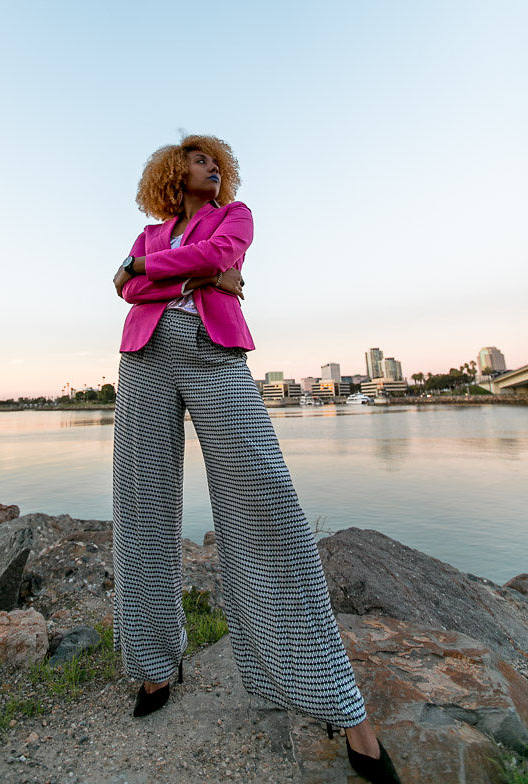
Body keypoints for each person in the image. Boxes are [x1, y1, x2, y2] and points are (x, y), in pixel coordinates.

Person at [112, 134, 401, 784]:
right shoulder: (149, 232)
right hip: (144, 361)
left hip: (214, 355)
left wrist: (158, 273)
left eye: (217, 161)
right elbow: (122, 289)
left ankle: (341, 705)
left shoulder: (234, 218)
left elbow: (212, 257)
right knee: (141, 510)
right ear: (172, 172)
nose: (211, 168)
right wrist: (197, 276)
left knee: (267, 504)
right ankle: (156, 666)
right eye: (198, 160)